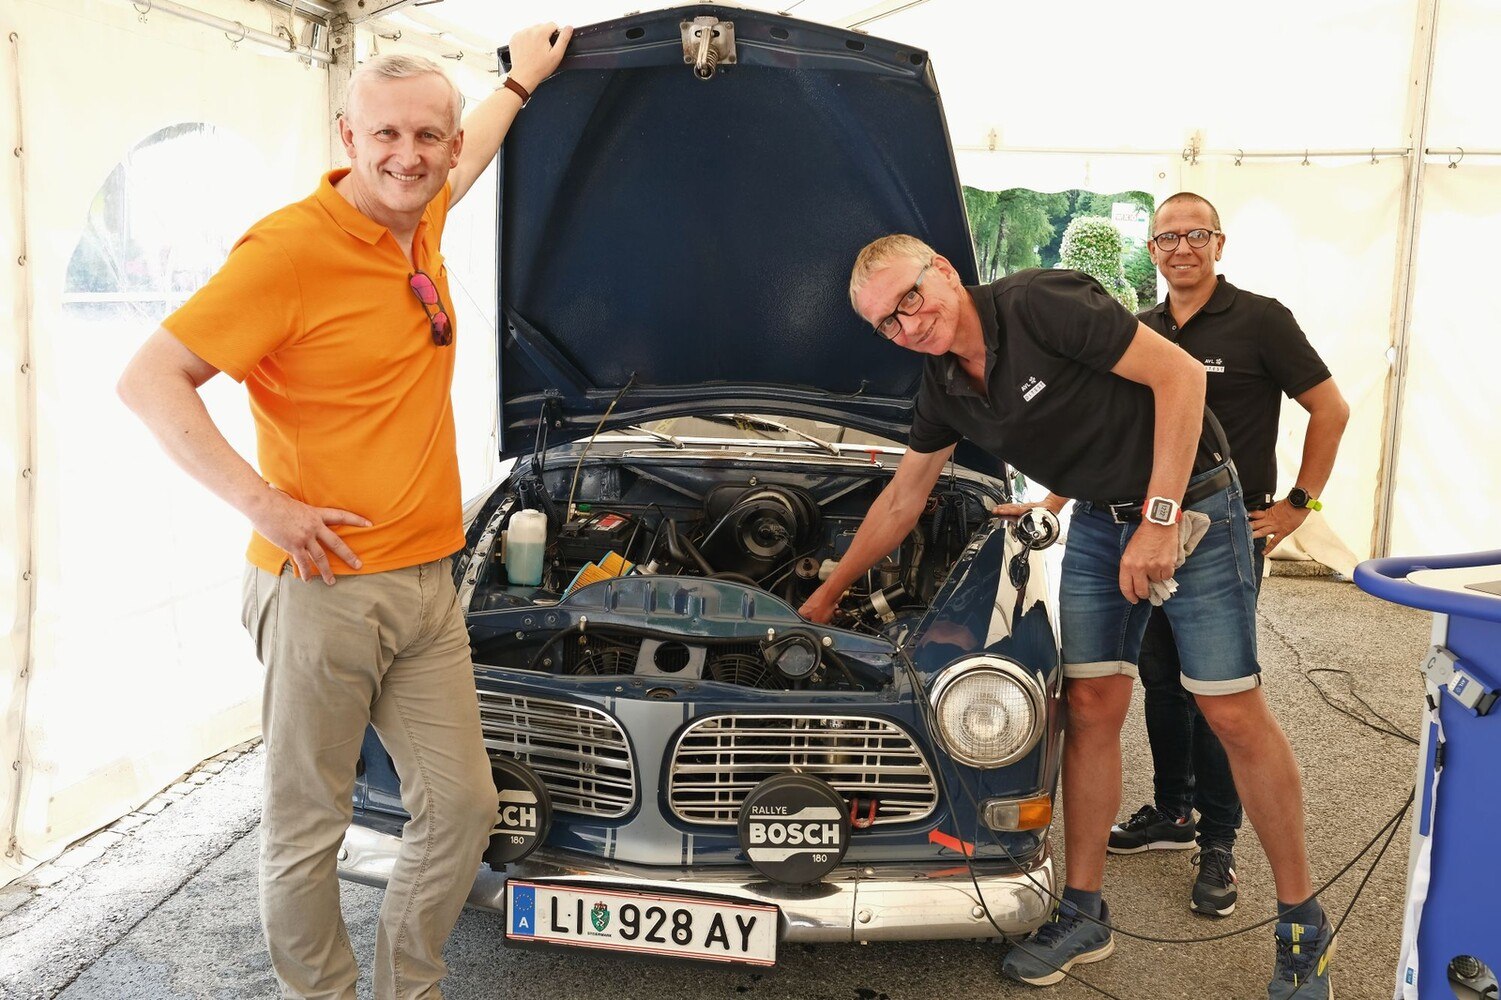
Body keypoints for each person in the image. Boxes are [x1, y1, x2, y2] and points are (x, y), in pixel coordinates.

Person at [116, 26, 571, 1000]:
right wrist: (263, 503)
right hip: (321, 590)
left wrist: (520, 84)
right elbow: (150, 378)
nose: (407, 155)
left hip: (426, 583)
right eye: (386, 135)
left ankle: (410, 985)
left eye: (426, 136)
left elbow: (474, 153)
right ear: (347, 136)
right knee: (306, 827)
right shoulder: (290, 251)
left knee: (459, 808)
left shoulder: (422, 218)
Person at [799, 234, 1334, 997]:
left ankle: (1299, 923)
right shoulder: (944, 386)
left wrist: (1156, 519)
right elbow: (903, 497)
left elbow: (1181, 377)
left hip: (1196, 506)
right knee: (1087, 705)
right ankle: (1083, 911)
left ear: (944, 272)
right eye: (885, 323)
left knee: (1229, 711)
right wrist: (821, 597)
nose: (907, 325)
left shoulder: (1040, 304)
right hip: (1097, 522)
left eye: (910, 299)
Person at [1010, 193, 1350, 926]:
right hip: (1140, 527)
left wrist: (1299, 504)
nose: (1181, 249)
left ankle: (1218, 844)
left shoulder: (1262, 319)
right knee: (1157, 680)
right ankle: (1173, 812)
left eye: (1195, 235)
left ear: (1218, 244)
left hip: (1224, 526)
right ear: (1153, 252)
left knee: (1217, 697)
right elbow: (1106, 434)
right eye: (1166, 238)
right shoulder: (1139, 328)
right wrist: (1051, 502)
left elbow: (1331, 409)